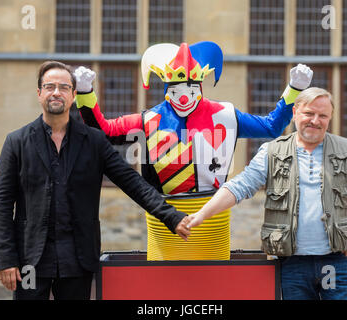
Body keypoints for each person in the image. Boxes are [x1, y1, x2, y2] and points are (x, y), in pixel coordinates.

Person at [73, 41, 314, 260]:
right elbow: (102, 133)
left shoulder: (225, 115)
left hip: (213, 215)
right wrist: (85, 93)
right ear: (167, 88)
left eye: (190, 88)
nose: (184, 96)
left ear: (199, 86)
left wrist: (294, 89)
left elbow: (271, 127)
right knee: (162, 287)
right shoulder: (150, 119)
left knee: (214, 285)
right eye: (176, 89)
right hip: (164, 216)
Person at [0, 61, 191, 300]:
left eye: (64, 87)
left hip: (78, 258)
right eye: (50, 86)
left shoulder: (93, 141)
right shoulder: (16, 142)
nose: (57, 92)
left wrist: (171, 215)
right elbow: (1, 204)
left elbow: (131, 182)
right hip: (30, 261)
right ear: (39, 93)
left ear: (74, 95)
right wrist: (6, 259)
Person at [186, 87, 347, 300]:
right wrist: (202, 214)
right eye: (309, 113)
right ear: (295, 112)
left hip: (337, 263)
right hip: (291, 264)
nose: (315, 120)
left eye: (322, 115)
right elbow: (240, 186)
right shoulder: (272, 151)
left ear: (330, 118)